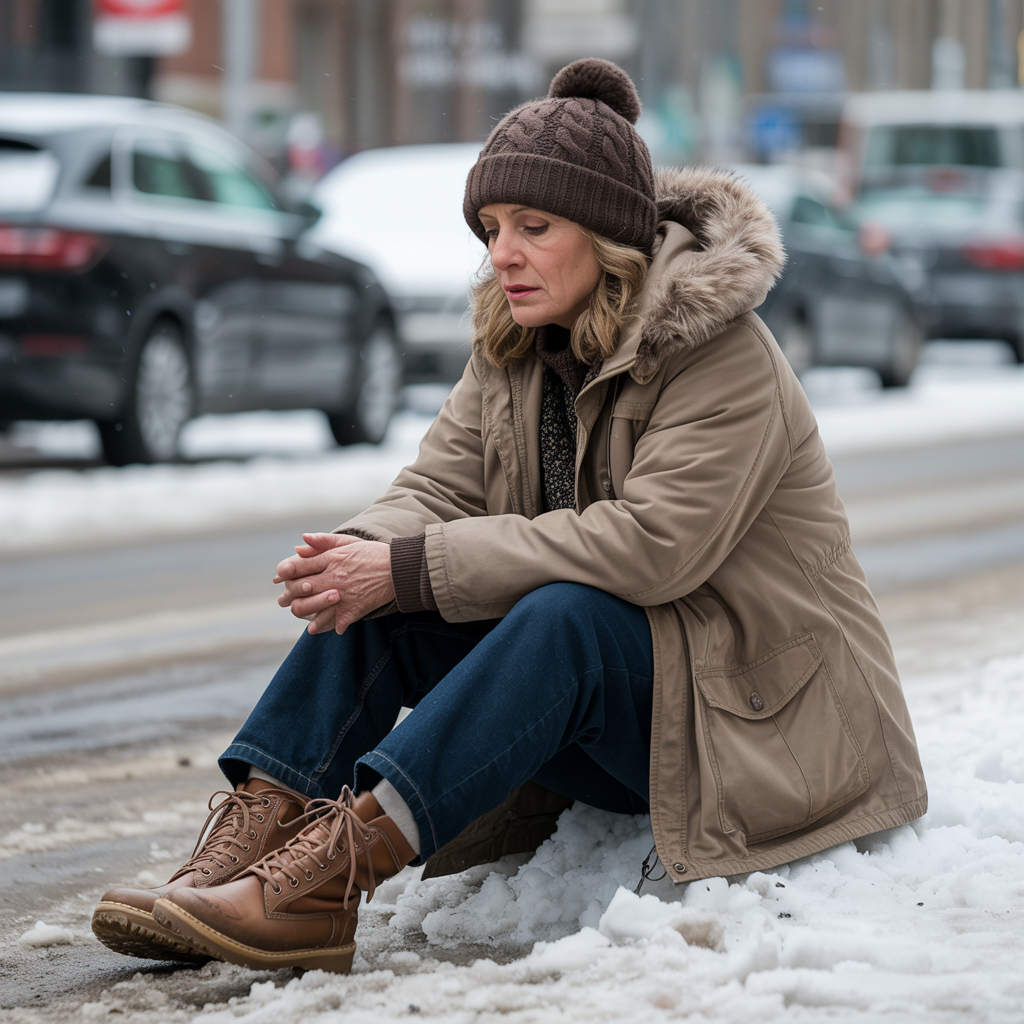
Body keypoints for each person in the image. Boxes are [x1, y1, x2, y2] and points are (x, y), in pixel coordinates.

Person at [92, 58, 926, 975]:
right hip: (634, 714)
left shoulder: (721, 352)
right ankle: (236, 857)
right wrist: (363, 554)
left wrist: (414, 564)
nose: (503, 254)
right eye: (492, 228)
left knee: (562, 612)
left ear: (611, 237)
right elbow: (438, 489)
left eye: (534, 227)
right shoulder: (518, 342)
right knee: (383, 595)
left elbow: (654, 550)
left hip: (761, 724)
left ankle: (326, 883)